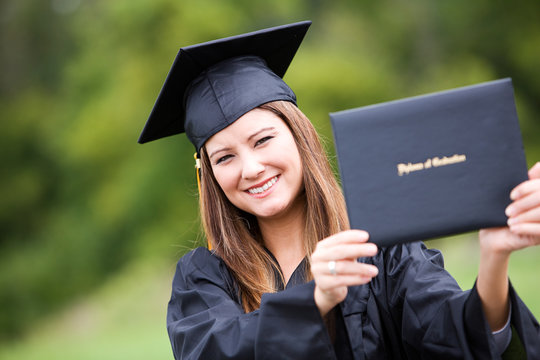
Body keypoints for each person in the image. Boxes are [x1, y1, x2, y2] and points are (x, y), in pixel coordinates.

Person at [139, 21, 540, 359]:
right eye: (224, 158)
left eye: (263, 140)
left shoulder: (380, 244)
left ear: (300, 137)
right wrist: (317, 299)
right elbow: (217, 350)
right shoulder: (203, 280)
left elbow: (454, 335)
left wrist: (494, 255)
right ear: (208, 174)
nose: (251, 168)